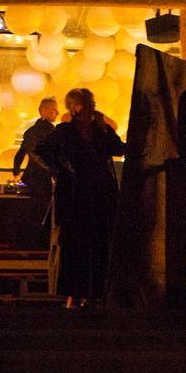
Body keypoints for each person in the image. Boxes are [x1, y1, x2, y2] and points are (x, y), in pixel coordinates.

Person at [38, 87, 126, 308]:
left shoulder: (99, 130)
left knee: (98, 243)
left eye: (93, 104)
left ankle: (93, 294)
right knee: (75, 245)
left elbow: (119, 148)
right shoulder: (65, 131)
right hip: (75, 196)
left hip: (99, 195)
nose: (93, 108)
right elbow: (42, 149)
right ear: (76, 107)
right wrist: (59, 170)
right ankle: (73, 294)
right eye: (89, 104)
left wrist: (106, 128)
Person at [14, 97, 57, 209]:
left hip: (30, 179)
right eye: (54, 109)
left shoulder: (31, 132)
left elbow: (20, 154)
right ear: (43, 111)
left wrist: (16, 172)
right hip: (42, 181)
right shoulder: (49, 132)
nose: (57, 113)